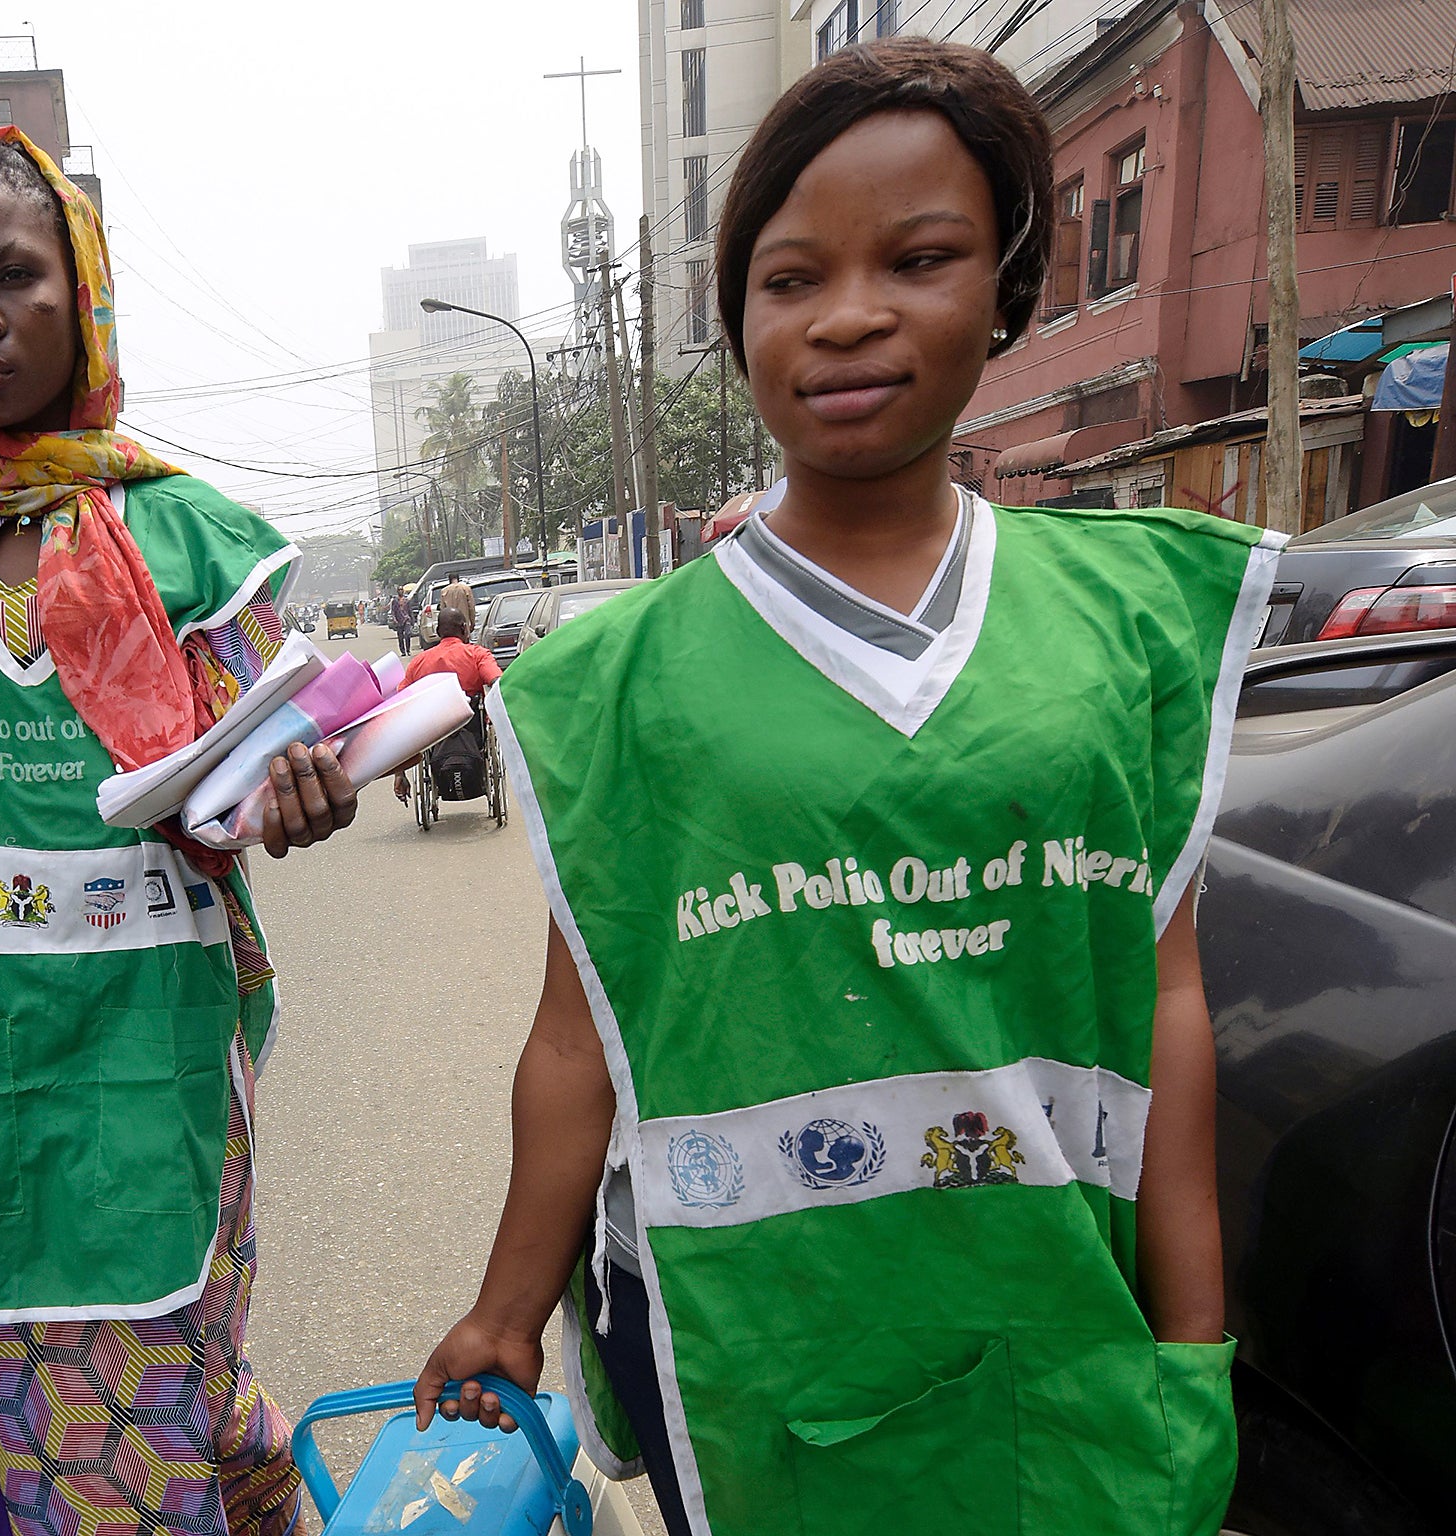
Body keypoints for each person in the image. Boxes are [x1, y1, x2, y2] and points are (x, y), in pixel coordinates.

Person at [416, 40, 1273, 1536]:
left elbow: (1169, 998)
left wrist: (1192, 1338)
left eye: (920, 258)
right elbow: (578, 1040)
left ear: (1007, 292)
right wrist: (507, 1307)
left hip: (1057, 1306)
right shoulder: (625, 680)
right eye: (792, 278)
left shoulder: (1125, 623)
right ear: (740, 318)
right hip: (758, 1335)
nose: (851, 316)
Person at [0, 126, 356, 1536]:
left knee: (142, 1400)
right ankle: (268, 1495)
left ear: (84, 296)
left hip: (158, 1060)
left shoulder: (197, 544)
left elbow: (263, 773)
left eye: (16, 274)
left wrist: (297, 797)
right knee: (136, 1410)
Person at [391, 607, 502, 803]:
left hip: (434, 736)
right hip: (473, 731)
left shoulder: (418, 662)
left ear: (438, 631)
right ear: (464, 629)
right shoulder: (477, 654)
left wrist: (399, 772)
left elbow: (400, 706)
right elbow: (496, 682)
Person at [391, 588, 413, 655]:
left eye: (401, 590)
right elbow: (393, 611)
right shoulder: (395, 601)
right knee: (400, 637)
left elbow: (410, 611)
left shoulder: (407, 600)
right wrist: (394, 619)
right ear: (397, 591)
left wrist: (412, 620)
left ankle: (408, 650)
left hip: (406, 620)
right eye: (399, 590)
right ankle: (403, 651)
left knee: (407, 634)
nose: (400, 591)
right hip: (399, 621)